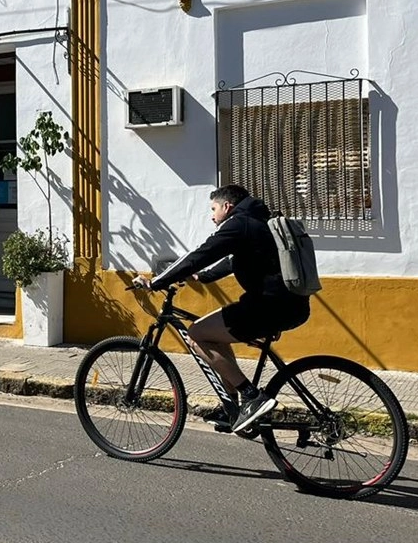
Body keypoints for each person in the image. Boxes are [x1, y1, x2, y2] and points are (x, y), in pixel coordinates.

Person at [132, 185, 311, 434]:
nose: (212, 215)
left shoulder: (239, 223)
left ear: (227, 206)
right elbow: (233, 261)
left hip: (268, 306)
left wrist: (156, 282)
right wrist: (202, 277)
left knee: (197, 334)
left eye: (213, 209)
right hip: (289, 304)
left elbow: (199, 254)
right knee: (214, 333)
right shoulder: (258, 221)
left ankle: (251, 397)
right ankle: (232, 410)